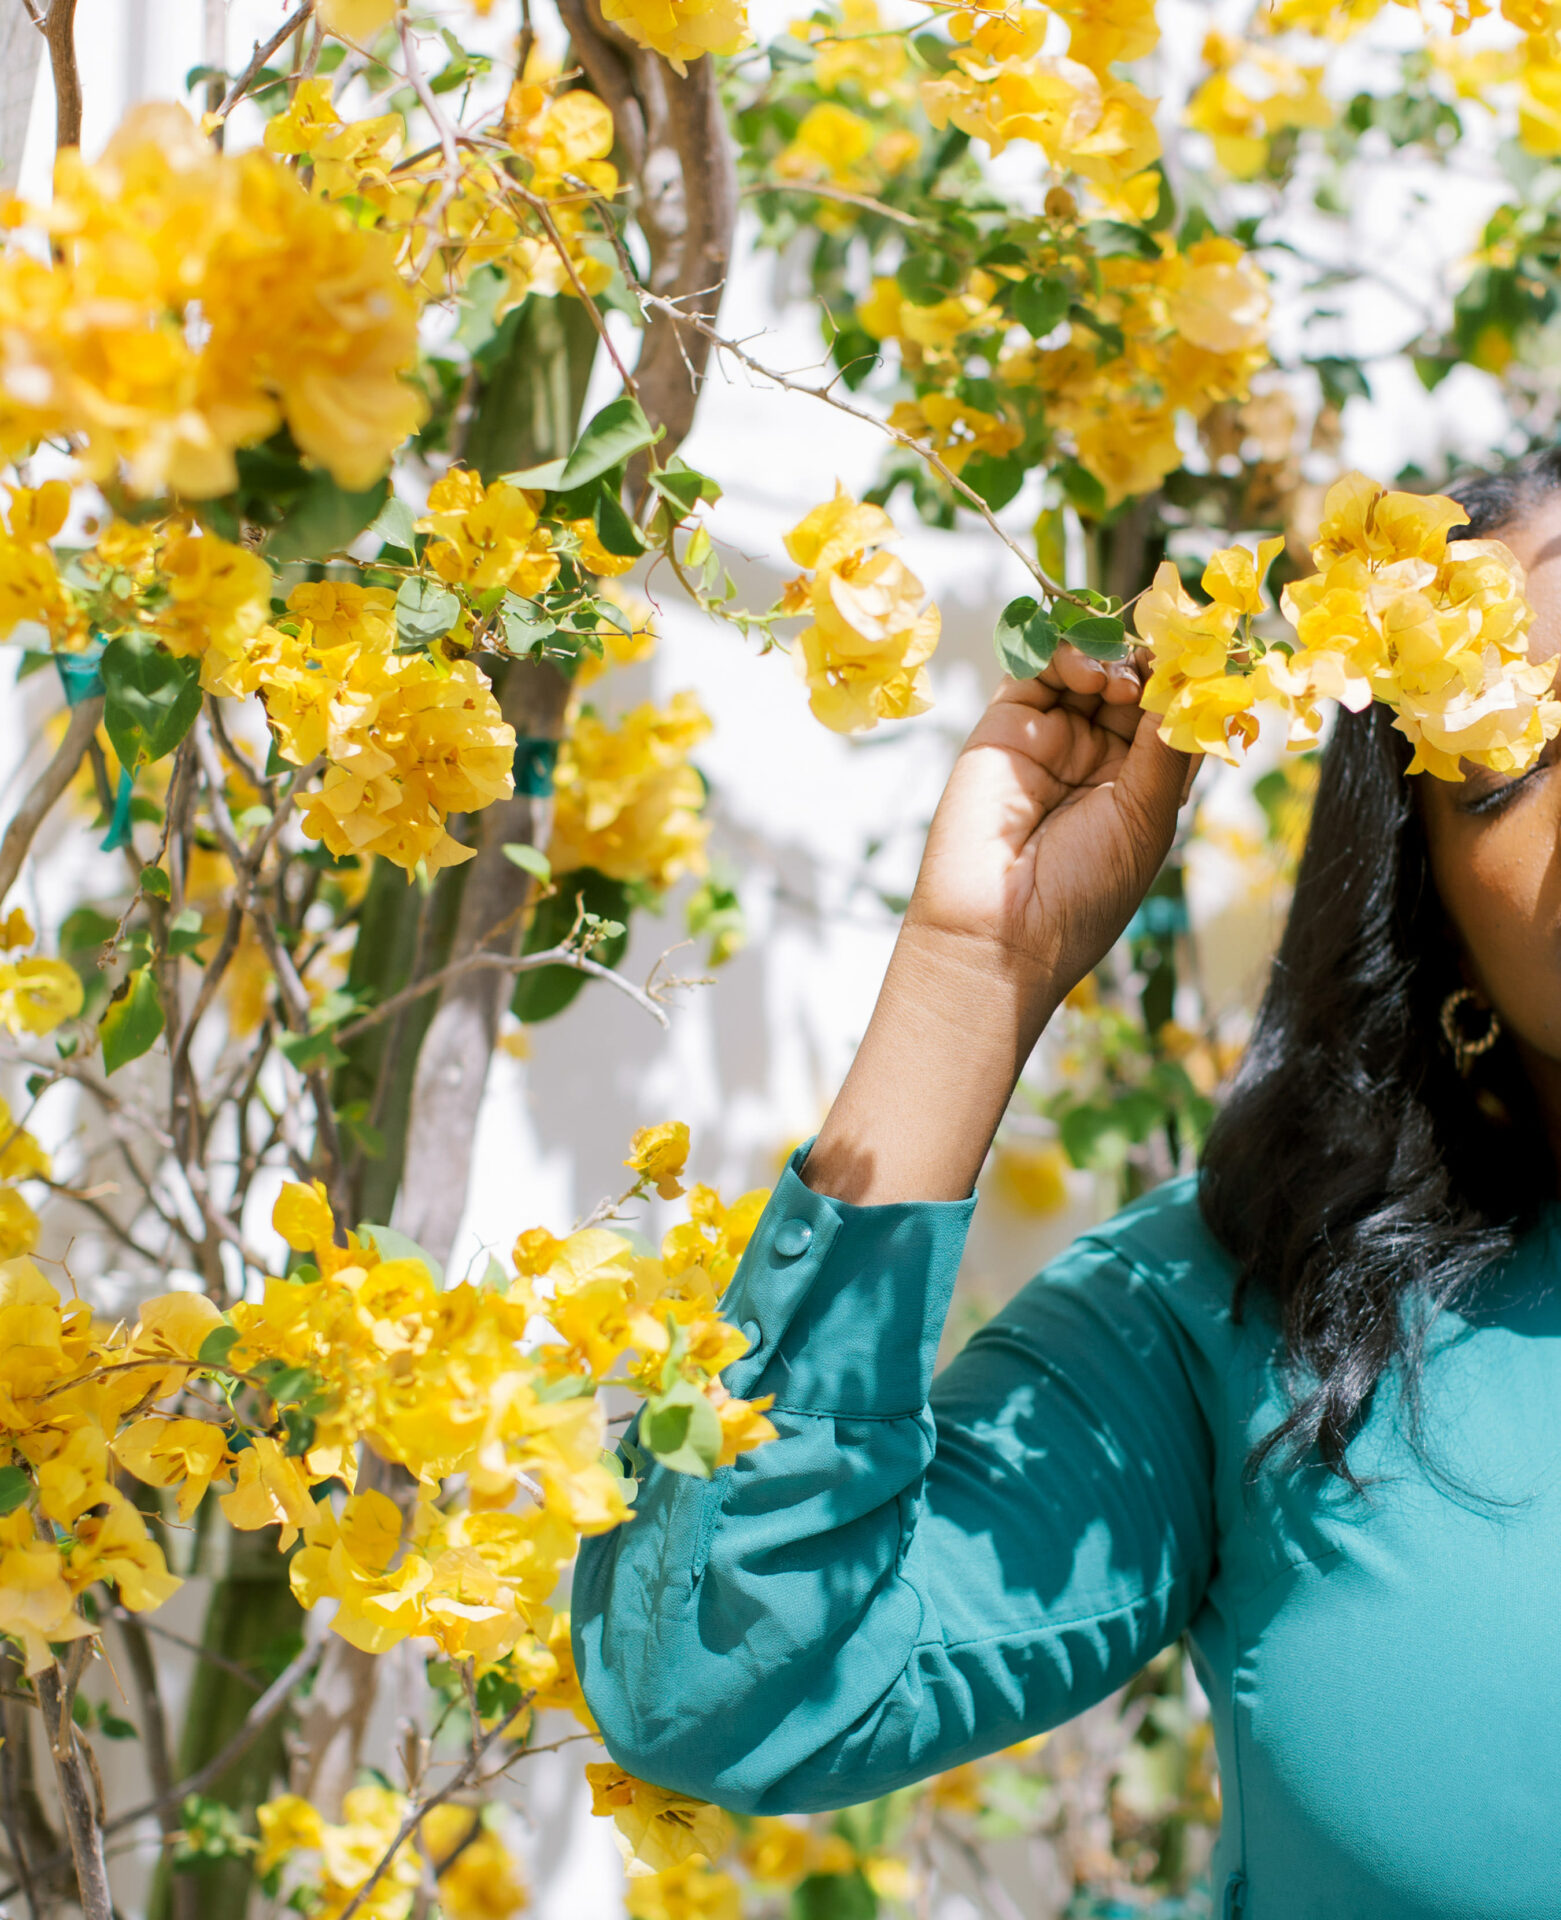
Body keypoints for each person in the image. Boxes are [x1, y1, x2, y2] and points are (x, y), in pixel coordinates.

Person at [573, 449, 1561, 1920]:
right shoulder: (1260, 1315)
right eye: (1512, 761)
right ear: (1429, 899)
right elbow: (728, 1679)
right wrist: (973, 974)